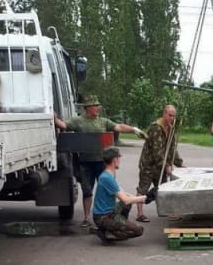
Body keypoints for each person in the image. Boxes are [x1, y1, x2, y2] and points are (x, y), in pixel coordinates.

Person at [54, 94, 147, 227]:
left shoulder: (104, 121)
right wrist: (53, 117)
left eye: (98, 106)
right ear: (88, 108)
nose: (98, 108)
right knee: (87, 191)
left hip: (102, 163)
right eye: (95, 106)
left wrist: (134, 130)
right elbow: (63, 125)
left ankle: (110, 215)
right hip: (85, 163)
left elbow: (119, 127)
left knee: (109, 189)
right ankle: (86, 218)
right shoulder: (78, 121)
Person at [93, 147, 153, 246]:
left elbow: (124, 194)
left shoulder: (109, 174)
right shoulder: (107, 178)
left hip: (109, 212)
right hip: (103, 218)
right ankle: (107, 233)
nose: (119, 161)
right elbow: (126, 200)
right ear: (115, 160)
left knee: (127, 204)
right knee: (138, 231)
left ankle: (117, 225)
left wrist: (143, 198)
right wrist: (146, 198)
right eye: (119, 158)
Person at [136, 105, 184, 223]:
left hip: (160, 166)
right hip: (149, 164)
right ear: (164, 114)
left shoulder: (171, 128)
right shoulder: (156, 128)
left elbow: (172, 148)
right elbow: (157, 151)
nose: (172, 118)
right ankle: (139, 214)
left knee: (162, 188)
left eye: (173, 116)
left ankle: (165, 211)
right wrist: (167, 165)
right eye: (170, 115)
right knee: (143, 188)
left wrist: (180, 163)